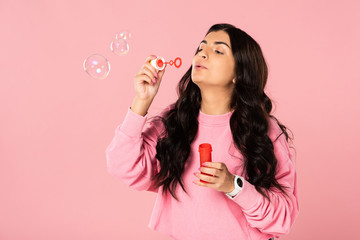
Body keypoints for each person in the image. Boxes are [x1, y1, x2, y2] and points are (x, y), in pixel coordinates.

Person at [105, 23, 299, 240]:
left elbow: (282, 217)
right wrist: (142, 101)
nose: (202, 54)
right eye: (200, 48)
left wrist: (233, 186)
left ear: (239, 73)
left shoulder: (262, 130)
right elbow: (123, 166)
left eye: (218, 50)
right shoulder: (175, 121)